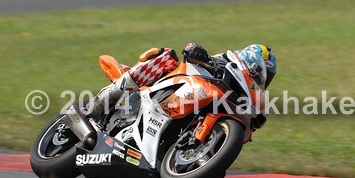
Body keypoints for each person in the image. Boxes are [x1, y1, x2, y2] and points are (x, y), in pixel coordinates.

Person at [87, 43, 277, 125]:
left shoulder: (243, 91)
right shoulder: (225, 61)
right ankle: (110, 94)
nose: (259, 77)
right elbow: (192, 50)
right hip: (172, 85)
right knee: (166, 56)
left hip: (193, 106)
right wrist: (197, 52)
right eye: (261, 71)